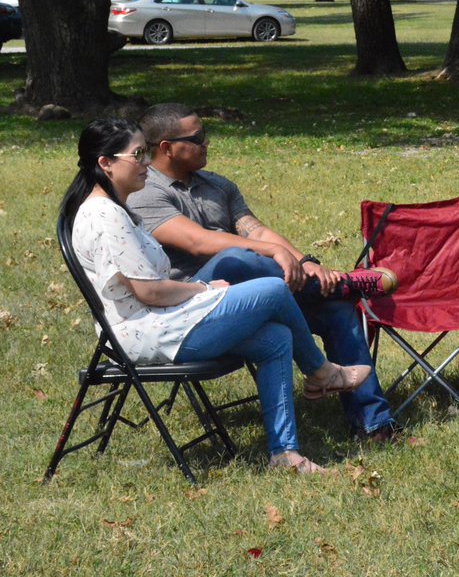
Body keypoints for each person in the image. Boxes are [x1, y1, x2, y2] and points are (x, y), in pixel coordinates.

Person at [63, 118, 372, 475]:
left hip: (163, 321)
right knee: (271, 289)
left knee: (275, 338)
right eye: (138, 155)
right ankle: (321, 372)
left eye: (146, 153)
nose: (147, 162)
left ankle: (285, 455)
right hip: (147, 333)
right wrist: (205, 289)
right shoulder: (104, 216)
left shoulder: (116, 209)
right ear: (106, 162)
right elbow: (149, 291)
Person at [126, 103, 397, 443]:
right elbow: (197, 242)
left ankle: (374, 426)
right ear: (166, 147)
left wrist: (305, 262)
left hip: (253, 295)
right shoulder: (144, 191)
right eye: (198, 137)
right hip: (193, 306)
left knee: (336, 310)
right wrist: (273, 253)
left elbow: (257, 231)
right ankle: (343, 286)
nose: (207, 142)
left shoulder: (218, 186)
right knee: (236, 259)